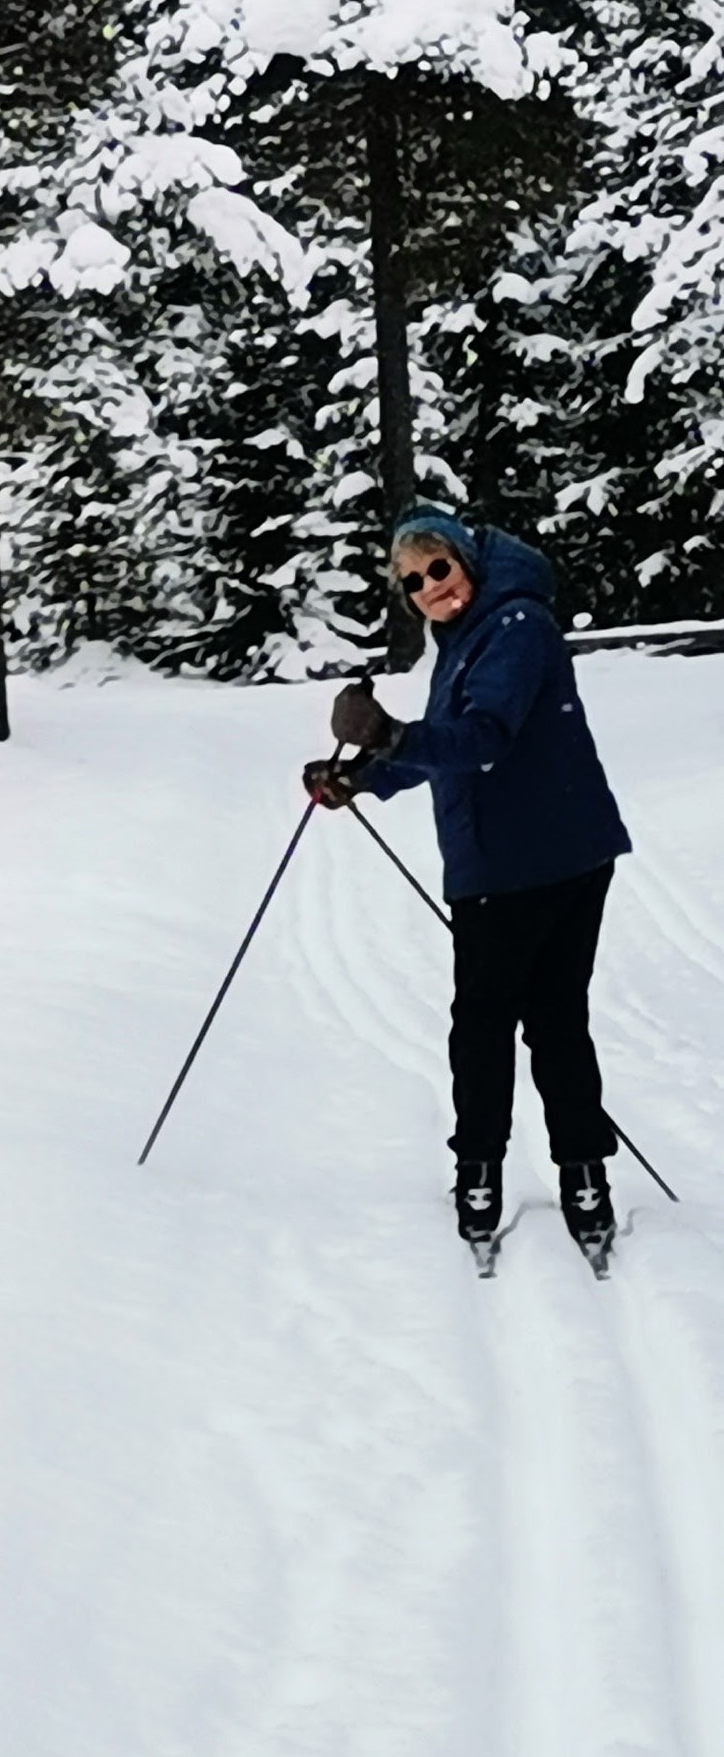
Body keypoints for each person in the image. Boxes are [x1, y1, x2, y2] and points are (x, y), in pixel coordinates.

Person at [306, 508, 634, 1261]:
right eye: (413, 582)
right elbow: (448, 743)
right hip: (546, 851)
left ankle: (494, 1174)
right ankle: (575, 1177)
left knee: (499, 1022)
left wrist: (387, 735)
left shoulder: (517, 624)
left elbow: (484, 739)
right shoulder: (476, 634)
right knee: (548, 1018)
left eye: (438, 569)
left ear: (466, 561)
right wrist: (360, 777)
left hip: (527, 863)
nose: (429, 589)